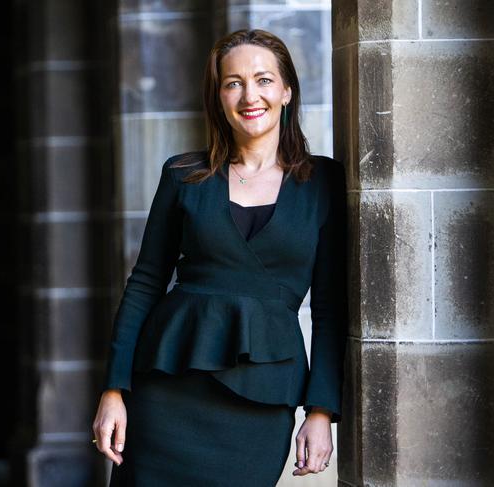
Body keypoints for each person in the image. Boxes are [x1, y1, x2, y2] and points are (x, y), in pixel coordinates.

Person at [92, 28, 348, 486]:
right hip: (166, 390)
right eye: (233, 83)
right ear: (219, 96)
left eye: (264, 80)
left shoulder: (324, 182)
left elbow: (330, 309)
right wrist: (114, 389)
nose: (250, 95)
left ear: (287, 90)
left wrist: (321, 410)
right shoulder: (183, 174)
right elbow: (146, 283)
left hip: (262, 400)